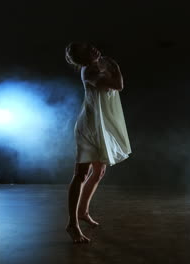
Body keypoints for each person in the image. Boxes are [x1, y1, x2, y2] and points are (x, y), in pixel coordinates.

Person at [64, 41, 132, 243]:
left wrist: (110, 67)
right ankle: (72, 223)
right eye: (87, 50)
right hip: (89, 128)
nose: (93, 48)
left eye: (90, 46)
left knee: (99, 172)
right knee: (81, 174)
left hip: (100, 126)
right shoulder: (89, 72)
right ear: (83, 58)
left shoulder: (101, 65)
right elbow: (118, 85)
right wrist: (116, 67)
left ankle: (83, 212)